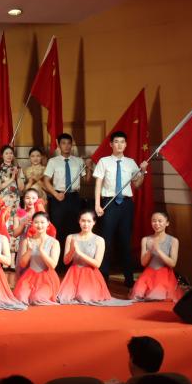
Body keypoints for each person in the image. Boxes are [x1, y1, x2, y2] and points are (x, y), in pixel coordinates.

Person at [93, 131, 149, 287]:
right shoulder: (104, 161)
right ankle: (103, 277)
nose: (119, 144)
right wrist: (97, 204)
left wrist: (142, 171)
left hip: (126, 204)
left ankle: (129, 278)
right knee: (106, 241)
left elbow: (137, 184)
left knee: (125, 241)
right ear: (111, 144)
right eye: (116, 142)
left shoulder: (131, 162)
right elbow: (98, 184)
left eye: (122, 142)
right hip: (109, 203)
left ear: (126, 144)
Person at [58, 211, 131, 306]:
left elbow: (97, 264)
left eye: (89, 221)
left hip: (90, 275)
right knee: (65, 298)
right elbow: (66, 261)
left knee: (84, 297)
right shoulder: (71, 237)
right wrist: (72, 250)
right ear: (79, 221)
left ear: (94, 222)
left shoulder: (99, 240)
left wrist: (79, 253)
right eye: (83, 221)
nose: (86, 224)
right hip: (73, 274)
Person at [43, 133, 88, 247]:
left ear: (71, 145)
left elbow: (86, 180)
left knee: (74, 226)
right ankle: (58, 254)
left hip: (74, 197)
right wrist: (55, 194)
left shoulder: (78, 161)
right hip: (58, 197)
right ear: (59, 145)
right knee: (58, 226)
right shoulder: (53, 161)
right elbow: (46, 181)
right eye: (63, 143)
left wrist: (89, 167)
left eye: (69, 143)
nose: (66, 146)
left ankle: (73, 252)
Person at [131, 212, 181, 302]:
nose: (156, 224)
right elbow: (143, 263)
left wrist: (158, 250)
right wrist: (151, 250)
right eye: (154, 221)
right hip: (148, 274)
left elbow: (173, 264)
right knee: (138, 294)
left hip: (165, 274)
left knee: (158, 295)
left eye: (160, 221)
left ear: (167, 223)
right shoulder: (146, 239)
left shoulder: (173, 241)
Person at [13, 212, 61, 305]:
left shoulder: (54, 242)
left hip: (47, 276)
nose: (39, 225)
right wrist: (29, 250)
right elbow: (22, 264)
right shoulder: (27, 241)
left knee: (37, 299)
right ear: (32, 224)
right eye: (36, 222)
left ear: (48, 223)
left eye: (42, 222)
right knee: (21, 297)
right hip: (30, 275)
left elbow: (52, 265)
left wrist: (42, 251)